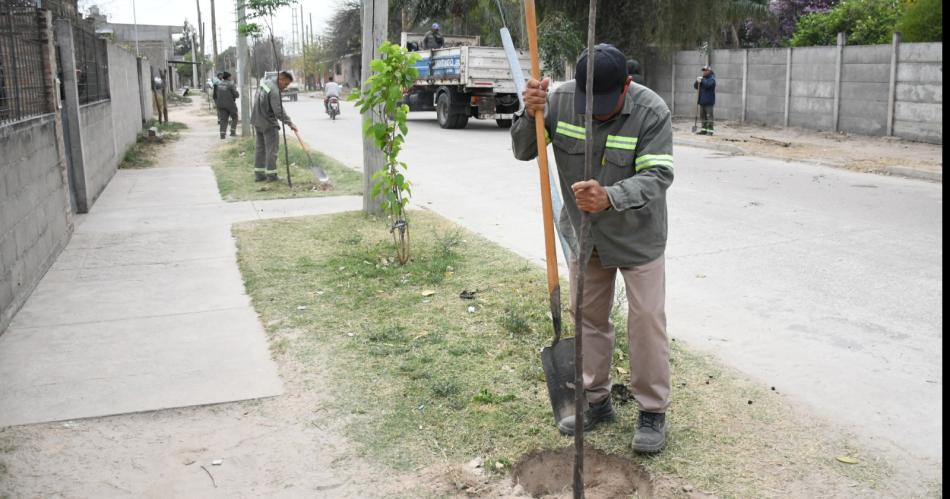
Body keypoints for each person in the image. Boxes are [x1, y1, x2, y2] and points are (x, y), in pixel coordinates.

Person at [511, 43, 674, 454]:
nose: (595, 111)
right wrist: (528, 112)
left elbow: (658, 175)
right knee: (587, 319)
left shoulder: (651, 112)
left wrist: (611, 195)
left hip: (637, 237)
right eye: (590, 101)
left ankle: (652, 411)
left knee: (646, 322)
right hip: (586, 238)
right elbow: (523, 150)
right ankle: (596, 399)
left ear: (627, 84)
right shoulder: (562, 101)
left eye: (605, 102)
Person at [250, 70, 297, 182]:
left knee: (260, 149)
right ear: (280, 78)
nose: (285, 87)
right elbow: (278, 110)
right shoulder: (275, 90)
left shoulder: (265, 83)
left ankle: (259, 174)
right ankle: (271, 175)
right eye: (285, 84)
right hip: (268, 124)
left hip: (257, 120)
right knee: (272, 150)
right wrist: (290, 123)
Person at [214, 71, 239, 139]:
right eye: (230, 76)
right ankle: (232, 132)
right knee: (235, 117)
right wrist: (237, 93)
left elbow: (217, 94)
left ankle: (222, 135)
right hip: (230, 104)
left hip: (220, 105)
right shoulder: (231, 84)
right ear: (228, 77)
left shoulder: (219, 84)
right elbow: (235, 94)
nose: (231, 77)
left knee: (223, 120)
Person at [693, 65, 716, 135]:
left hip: (709, 102)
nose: (704, 72)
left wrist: (702, 80)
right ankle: (704, 130)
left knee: (709, 118)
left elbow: (707, 85)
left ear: (709, 71)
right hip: (702, 101)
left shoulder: (712, 79)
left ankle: (710, 131)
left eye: (706, 70)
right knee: (703, 117)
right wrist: (697, 81)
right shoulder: (703, 79)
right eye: (703, 70)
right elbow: (696, 87)